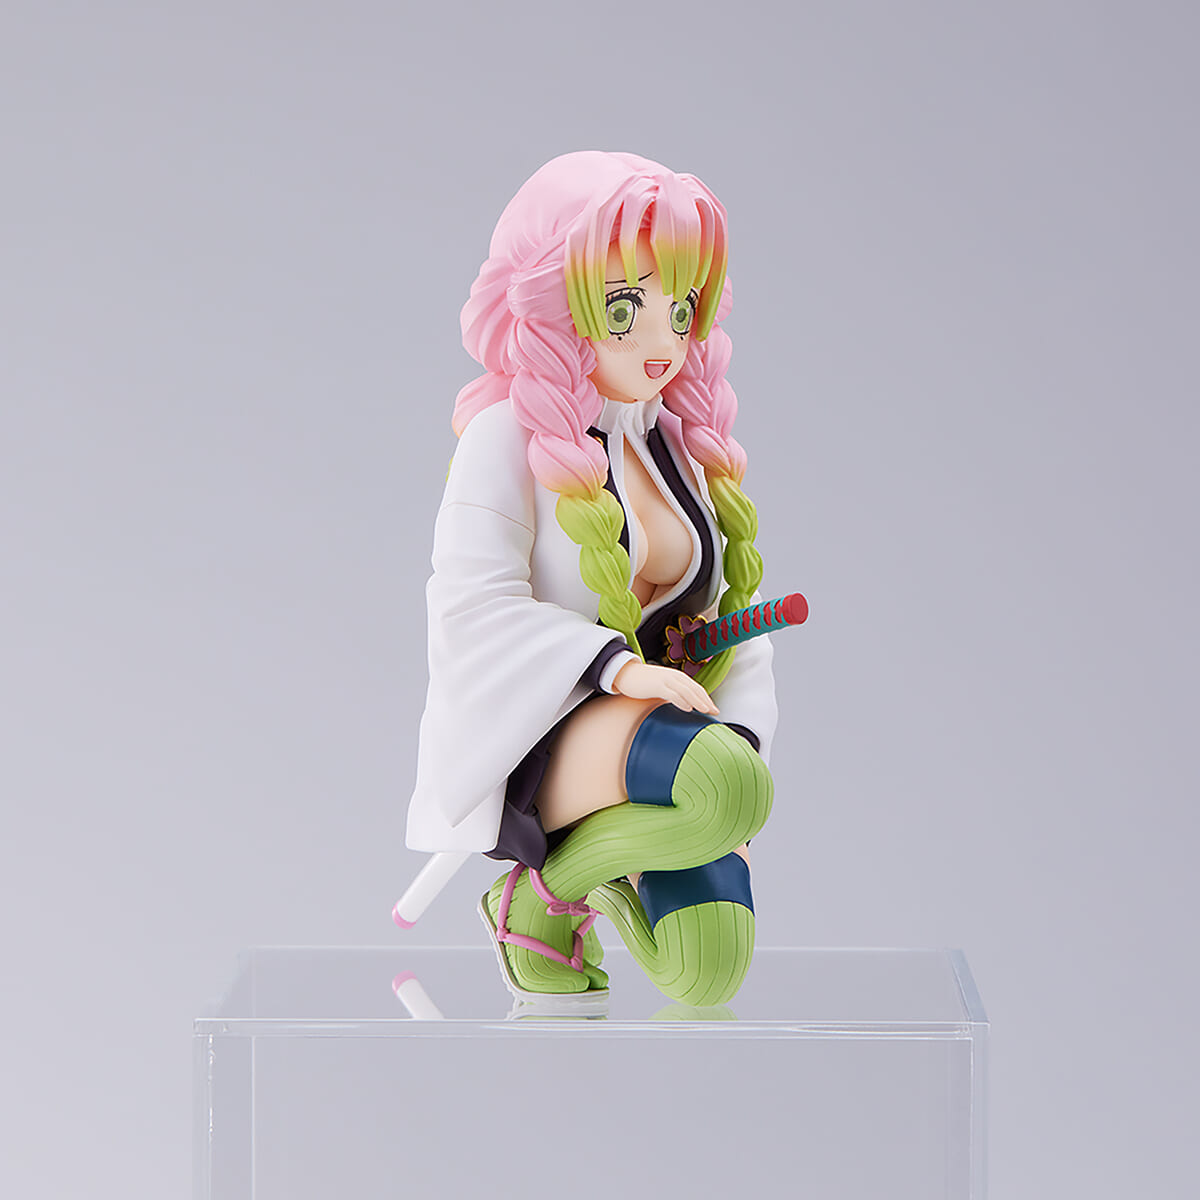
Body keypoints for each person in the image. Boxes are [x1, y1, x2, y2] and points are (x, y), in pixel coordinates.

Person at [406, 151, 778, 1006]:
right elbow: (471, 609)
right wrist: (616, 669)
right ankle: (544, 891)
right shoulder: (503, 440)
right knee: (722, 785)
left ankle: (584, 878)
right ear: (551, 302)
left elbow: (743, 620)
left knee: (707, 968)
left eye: (680, 309)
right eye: (623, 308)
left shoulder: (682, 447)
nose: (663, 343)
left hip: (675, 746)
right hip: (548, 734)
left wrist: (738, 764)